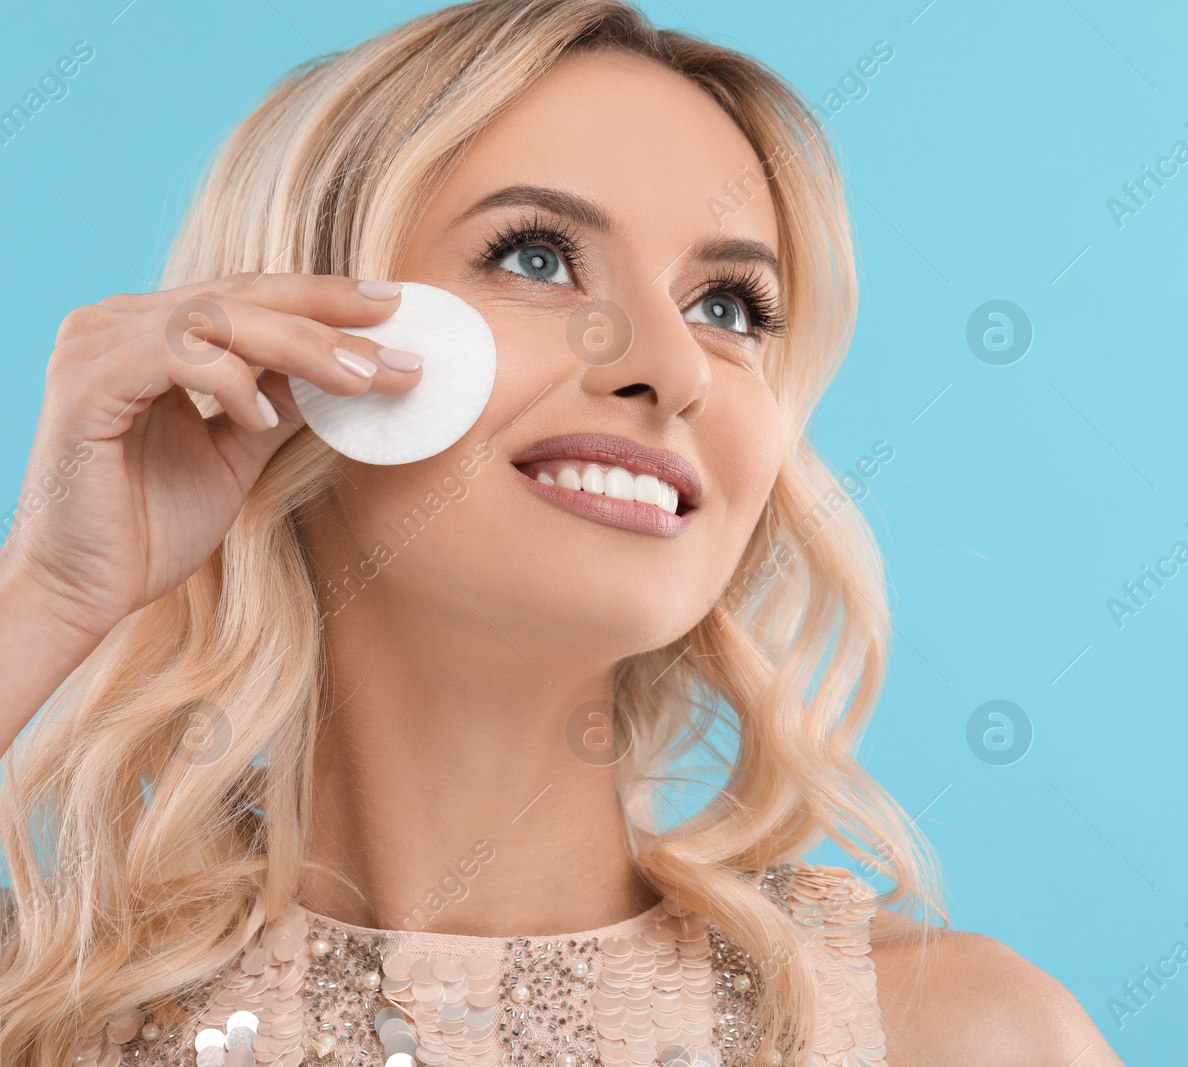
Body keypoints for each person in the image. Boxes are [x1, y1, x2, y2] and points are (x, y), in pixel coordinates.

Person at [0, 2, 1122, 1064]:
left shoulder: (953, 1033)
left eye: (728, 307)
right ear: (301, 352)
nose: (674, 367)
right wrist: (47, 590)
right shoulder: (45, 1003)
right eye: (536, 256)